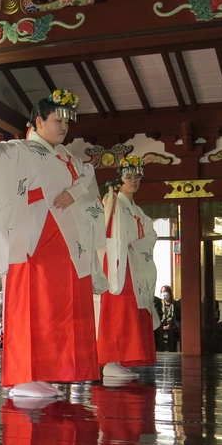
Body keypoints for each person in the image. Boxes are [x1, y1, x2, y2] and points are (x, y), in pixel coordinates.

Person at [0, 89, 107, 398]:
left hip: (65, 237)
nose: (64, 128)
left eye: (66, 122)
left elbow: (87, 179)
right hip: (34, 236)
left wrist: (77, 192)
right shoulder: (25, 149)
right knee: (33, 303)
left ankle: (45, 372)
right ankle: (24, 376)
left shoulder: (66, 156)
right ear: (39, 122)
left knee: (58, 307)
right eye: (57, 121)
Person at [97, 156, 158, 378]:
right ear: (118, 181)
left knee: (131, 310)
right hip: (117, 260)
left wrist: (137, 244)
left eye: (136, 177)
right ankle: (109, 359)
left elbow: (150, 233)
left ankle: (121, 357)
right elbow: (106, 227)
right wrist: (110, 200)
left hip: (133, 261)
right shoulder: (113, 202)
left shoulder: (136, 209)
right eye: (128, 177)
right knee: (118, 309)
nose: (134, 181)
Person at [155, 285, 181, 352]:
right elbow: (158, 315)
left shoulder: (176, 304)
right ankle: (160, 348)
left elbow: (176, 316)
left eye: (166, 291)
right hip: (161, 323)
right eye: (162, 292)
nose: (164, 294)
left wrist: (169, 325)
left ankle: (172, 348)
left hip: (172, 324)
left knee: (172, 326)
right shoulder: (159, 305)